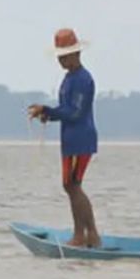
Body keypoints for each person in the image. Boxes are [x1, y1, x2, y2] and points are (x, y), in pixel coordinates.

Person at [27, 28, 100, 248]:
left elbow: (76, 112)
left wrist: (48, 111)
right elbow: (66, 110)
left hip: (80, 139)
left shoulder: (82, 79)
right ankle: (88, 236)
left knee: (73, 185)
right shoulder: (69, 78)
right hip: (70, 139)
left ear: (76, 54)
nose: (61, 59)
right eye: (59, 55)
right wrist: (48, 114)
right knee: (70, 185)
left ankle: (85, 235)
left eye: (64, 55)